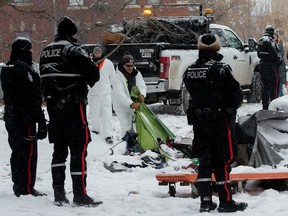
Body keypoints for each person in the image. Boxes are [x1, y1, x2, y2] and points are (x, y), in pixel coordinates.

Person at [39, 16, 101, 207]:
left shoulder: (45, 51)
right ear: (72, 33)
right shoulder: (73, 50)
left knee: (59, 151)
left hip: (53, 108)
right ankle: (80, 194)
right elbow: (94, 73)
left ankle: (59, 192)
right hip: (74, 107)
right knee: (78, 150)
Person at [183, 33, 247, 213]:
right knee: (223, 161)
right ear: (217, 48)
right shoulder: (221, 69)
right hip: (219, 122)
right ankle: (226, 201)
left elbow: (191, 95)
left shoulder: (189, 71)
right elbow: (236, 96)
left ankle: (205, 201)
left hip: (200, 123)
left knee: (204, 161)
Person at [1, 37, 47, 197]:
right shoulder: (23, 69)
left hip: (11, 115)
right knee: (28, 153)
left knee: (17, 152)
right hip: (24, 117)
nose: (31, 53)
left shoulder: (7, 68)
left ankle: (18, 185)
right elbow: (32, 98)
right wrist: (41, 121)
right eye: (29, 50)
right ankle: (26, 188)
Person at [112, 54, 147, 139]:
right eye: (128, 66)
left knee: (134, 127)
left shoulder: (136, 73)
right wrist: (130, 103)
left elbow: (142, 85)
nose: (130, 68)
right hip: (122, 106)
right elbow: (120, 93)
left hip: (133, 105)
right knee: (126, 126)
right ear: (123, 65)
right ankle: (125, 146)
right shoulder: (117, 76)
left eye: (132, 65)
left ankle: (132, 144)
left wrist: (142, 94)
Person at [88, 44, 115, 144]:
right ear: (94, 53)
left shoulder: (108, 63)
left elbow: (113, 77)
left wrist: (114, 88)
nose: (98, 54)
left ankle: (108, 134)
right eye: (96, 52)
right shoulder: (90, 63)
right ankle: (96, 130)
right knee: (94, 113)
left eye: (99, 52)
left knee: (107, 114)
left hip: (105, 94)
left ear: (102, 53)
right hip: (93, 94)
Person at [257, 25, 282, 109]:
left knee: (265, 87)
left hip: (263, 67)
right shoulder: (271, 42)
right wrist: (279, 60)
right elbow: (276, 56)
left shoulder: (260, 41)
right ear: (272, 32)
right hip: (272, 68)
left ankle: (265, 106)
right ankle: (274, 106)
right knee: (274, 88)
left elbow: (258, 54)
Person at [273, 31, 287, 97]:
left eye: (275, 35)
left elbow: (282, 53)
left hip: (280, 65)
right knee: (276, 82)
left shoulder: (280, 43)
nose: (274, 36)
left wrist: (276, 58)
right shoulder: (271, 43)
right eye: (273, 35)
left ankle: (280, 96)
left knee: (280, 81)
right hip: (274, 65)